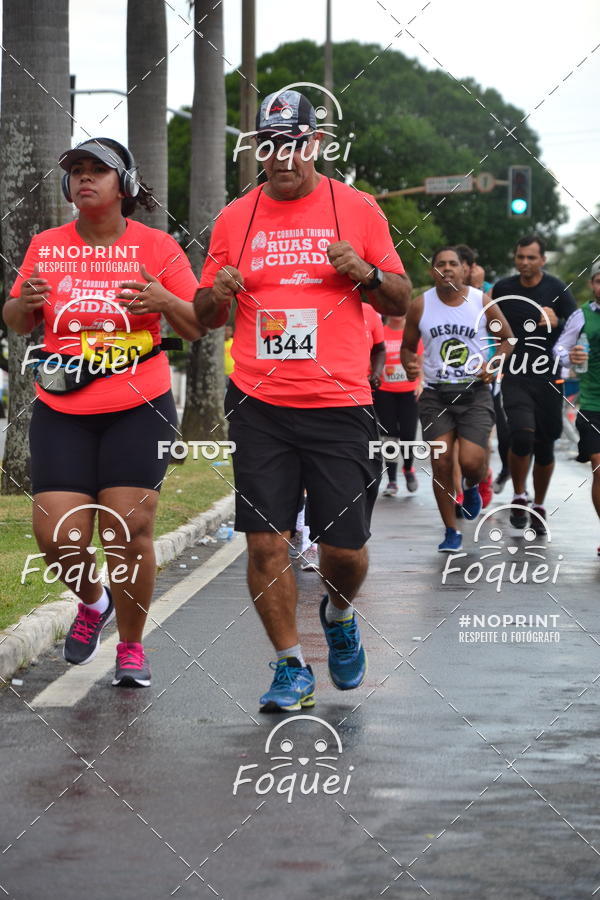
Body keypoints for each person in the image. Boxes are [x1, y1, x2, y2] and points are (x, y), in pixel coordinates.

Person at [194, 89, 411, 713]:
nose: (282, 157)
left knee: (344, 552)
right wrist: (221, 292)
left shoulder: (358, 210)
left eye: (294, 144)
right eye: (270, 145)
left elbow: (400, 299)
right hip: (260, 404)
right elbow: (205, 315)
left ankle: (339, 614)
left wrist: (366, 274)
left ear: (315, 144)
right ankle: (290, 666)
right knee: (266, 543)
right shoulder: (236, 219)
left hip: (340, 402)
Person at [3, 138, 203, 688]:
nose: (85, 179)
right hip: (62, 405)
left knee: (130, 529)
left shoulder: (158, 247)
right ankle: (93, 601)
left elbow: (195, 324)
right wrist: (25, 303)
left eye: (99, 170)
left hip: (139, 405)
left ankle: (132, 648)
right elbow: (17, 318)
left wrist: (163, 301)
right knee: (57, 536)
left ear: (126, 185)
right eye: (77, 172)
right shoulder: (47, 245)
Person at [401, 247, 514, 551]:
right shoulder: (420, 305)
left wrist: (494, 364)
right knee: (441, 462)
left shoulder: (481, 302)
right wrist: (410, 364)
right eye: (441, 265)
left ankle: (472, 483)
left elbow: (508, 339)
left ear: (464, 270)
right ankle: (451, 530)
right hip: (436, 395)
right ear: (432, 271)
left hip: (475, 393)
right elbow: (407, 347)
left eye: (453, 264)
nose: (447, 269)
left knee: (471, 462)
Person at [491, 235, 577, 535]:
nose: (525, 262)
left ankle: (538, 504)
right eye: (520, 257)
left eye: (531, 257)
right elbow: (490, 325)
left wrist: (559, 323)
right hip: (515, 375)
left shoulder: (557, 289)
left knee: (545, 446)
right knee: (522, 435)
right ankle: (518, 495)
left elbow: (576, 329)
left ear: (542, 260)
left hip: (550, 378)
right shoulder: (503, 289)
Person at [554, 260, 600, 554]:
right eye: (598, 280)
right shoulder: (581, 316)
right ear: (592, 284)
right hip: (594, 403)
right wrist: (571, 356)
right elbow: (559, 349)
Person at [373, 314, 423, 496]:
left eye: (401, 310)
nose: (397, 314)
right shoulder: (381, 332)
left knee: (409, 434)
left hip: (409, 391)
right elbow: (374, 357)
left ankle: (408, 468)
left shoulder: (411, 333)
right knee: (389, 436)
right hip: (385, 391)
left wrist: (420, 382)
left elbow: (420, 358)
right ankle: (392, 480)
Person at [224, 323, 234, 388]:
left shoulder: (234, 342)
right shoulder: (220, 343)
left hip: (233, 373)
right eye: (226, 330)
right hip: (223, 374)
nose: (228, 332)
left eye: (229, 330)